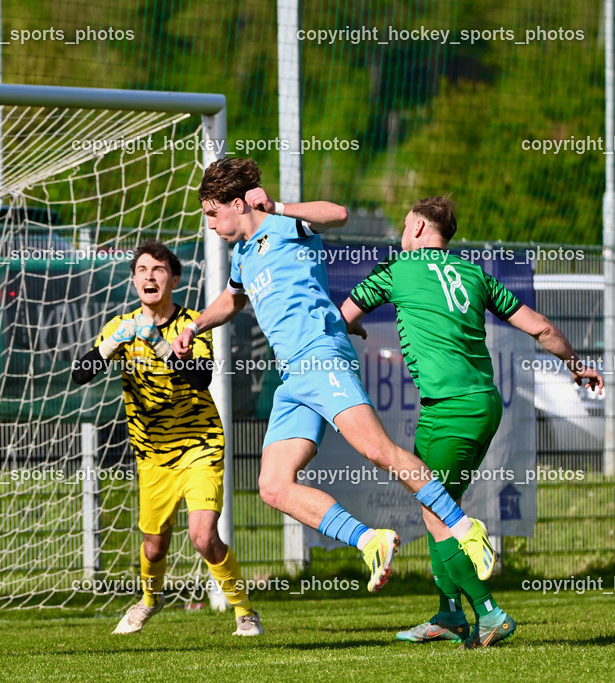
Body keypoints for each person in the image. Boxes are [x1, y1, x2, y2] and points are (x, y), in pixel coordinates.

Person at [172, 157, 497, 597]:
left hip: (322, 357)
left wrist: (280, 206)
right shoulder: (242, 255)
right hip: (292, 378)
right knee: (272, 485)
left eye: (213, 213)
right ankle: (370, 541)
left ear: (236, 203)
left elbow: (338, 214)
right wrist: (192, 326)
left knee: (378, 451)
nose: (210, 224)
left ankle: (464, 528)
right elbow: (232, 302)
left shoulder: (285, 225)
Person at [340, 196, 603, 648]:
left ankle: (487, 613)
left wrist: (353, 327)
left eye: (405, 226)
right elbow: (539, 327)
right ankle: (448, 614)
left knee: (436, 511)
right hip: (482, 401)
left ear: (420, 229)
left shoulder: (397, 270)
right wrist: (577, 364)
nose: (401, 234)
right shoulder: (474, 273)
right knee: (439, 507)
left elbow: (342, 317)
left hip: (451, 408)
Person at [71, 239, 262, 636]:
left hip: (199, 444)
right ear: (134, 280)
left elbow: (202, 376)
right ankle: (149, 600)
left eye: (158, 270)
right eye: (141, 270)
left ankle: (244, 611)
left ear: (173, 278)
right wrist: (110, 344)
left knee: (204, 536)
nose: (149, 276)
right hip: (152, 454)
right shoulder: (120, 327)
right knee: (154, 547)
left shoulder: (193, 323)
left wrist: (159, 346)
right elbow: (79, 374)